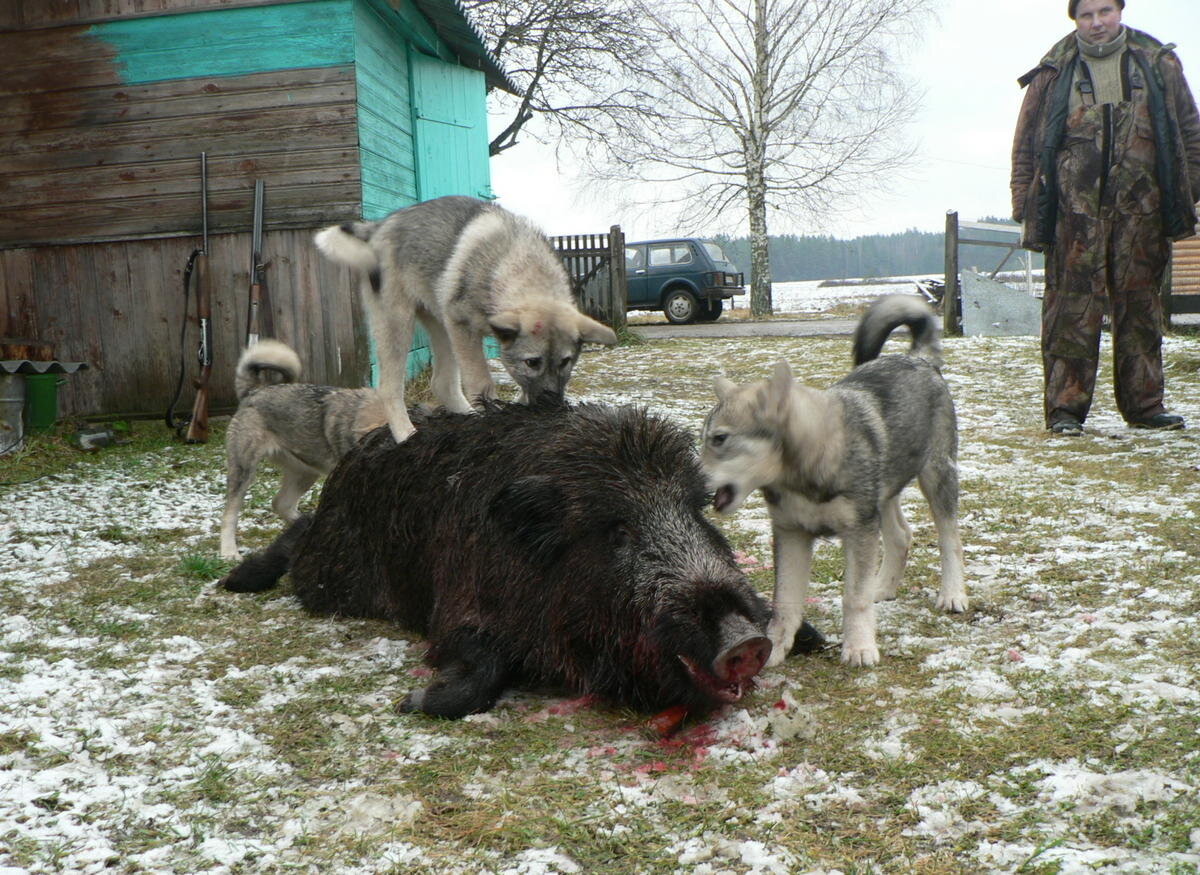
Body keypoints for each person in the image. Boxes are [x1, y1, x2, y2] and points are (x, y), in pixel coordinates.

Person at [1010, 0, 1200, 436]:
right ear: (1075, 20)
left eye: (1105, 11)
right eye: (1087, 15)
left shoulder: (1158, 64)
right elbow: (1025, 147)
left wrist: (1186, 193)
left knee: (1141, 311)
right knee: (1069, 311)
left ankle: (1146, 406)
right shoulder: (1052, 74)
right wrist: (1025, 204)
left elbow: (1190, 133)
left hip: (1143, 214)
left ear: (1120, 11)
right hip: (1072, 220)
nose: (1097, 23)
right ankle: (1064, 411)